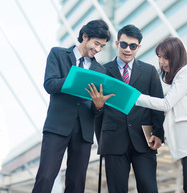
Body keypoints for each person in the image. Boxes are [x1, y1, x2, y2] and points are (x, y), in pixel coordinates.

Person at [32, 19, 113, 193]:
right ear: (85, 36)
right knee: (46, 177)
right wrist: (75, 78)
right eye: (96, 43)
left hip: (83, 131)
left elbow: (96, 109)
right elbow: (50, 84)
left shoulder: (100, 71)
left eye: (102, 46)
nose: (98, 49)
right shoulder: (58, 54)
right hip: (57, 126)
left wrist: (99, 106)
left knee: (77, 183)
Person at [135, 37, 187, 193]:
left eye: (165, 57)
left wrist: (135, 98)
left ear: (176, 56)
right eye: (159, 56)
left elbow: (166, 104)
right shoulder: (182, 75)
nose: (161, 61)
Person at [95, 24, 165, 193]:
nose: (127, 49)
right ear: (117, 44)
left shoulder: (149, 71)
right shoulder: (102, 70)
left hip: (144, 139)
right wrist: (101, 142)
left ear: (138, 47)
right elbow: (97, 109)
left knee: (149, 188)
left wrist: (159, 134)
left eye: (132, 46)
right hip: (113, 140)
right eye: (124, 44)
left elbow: (158, 105)